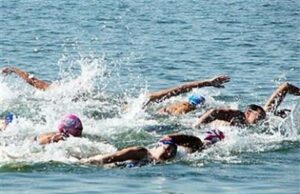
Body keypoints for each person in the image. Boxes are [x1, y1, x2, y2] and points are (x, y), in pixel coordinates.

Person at [1, 66, 230, 115]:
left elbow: (32, 79)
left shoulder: (53, 93)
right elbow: (177, 89)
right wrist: (208, 82)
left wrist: (12, 70)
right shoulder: (141, 102)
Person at [80, 129, 225, 167]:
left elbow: (197, 148)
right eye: (167, 149)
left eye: (172, 152)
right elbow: (109, 158)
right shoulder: (141, 152)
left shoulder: (177, 158)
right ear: (159, 146)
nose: (169, 153)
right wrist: (83, 163)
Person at [194, 82, 300, 128]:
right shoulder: (237, 116)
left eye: (263, 118)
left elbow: (286, 86)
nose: (262, 121)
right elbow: (215, 112)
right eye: (259, 117)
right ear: (248, 113)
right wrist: (197, 126)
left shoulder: (263, 114)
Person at [145, 75, 230, 115]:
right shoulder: (147, 99)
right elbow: (178, 90)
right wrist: (208, 83)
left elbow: (179, 89)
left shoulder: (140, 103)